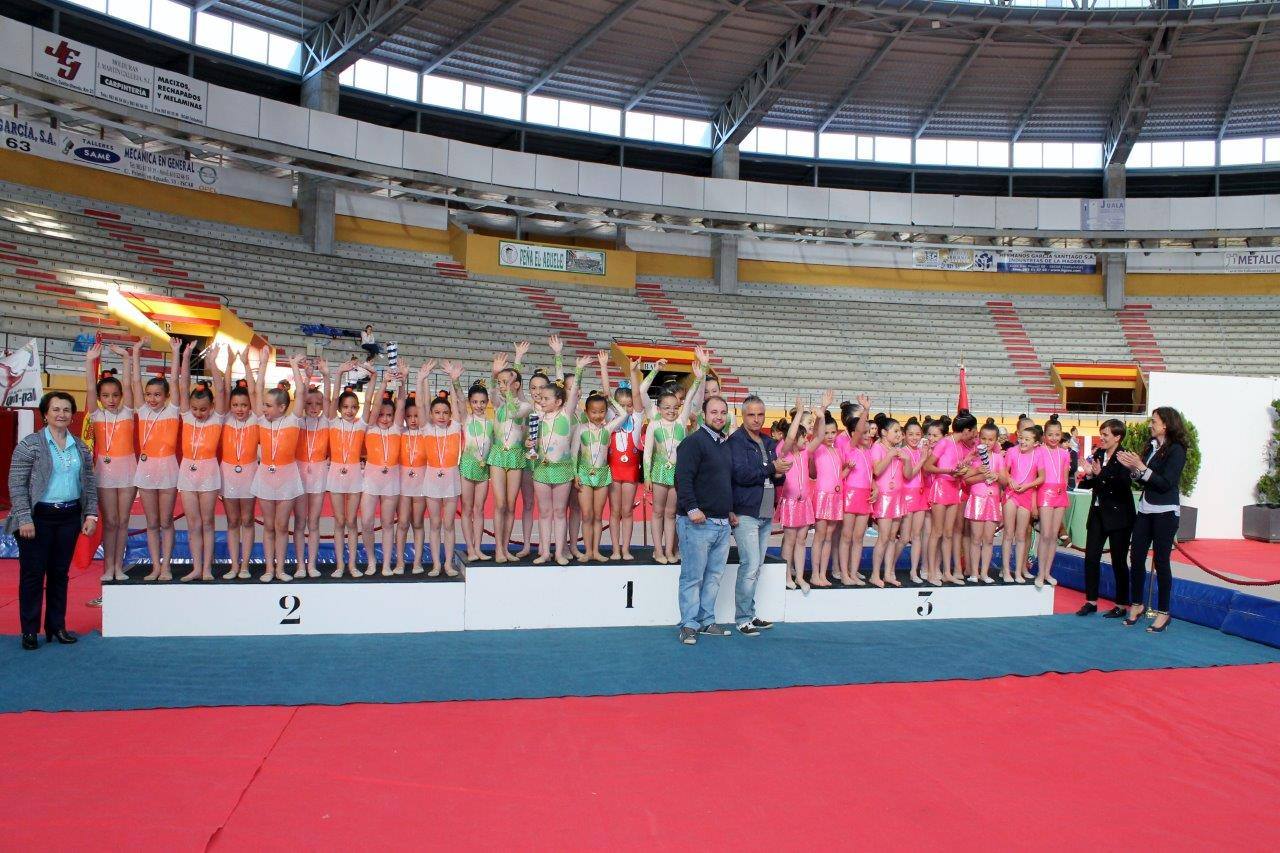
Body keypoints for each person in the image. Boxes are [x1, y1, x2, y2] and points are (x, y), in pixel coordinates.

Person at [7, 391, 99, 650]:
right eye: (56, 409)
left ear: (72, 415)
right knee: (33, 575)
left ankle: (56, 627)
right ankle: (29, 631)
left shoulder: (80, 446)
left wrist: (91, 514)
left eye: (67, 410)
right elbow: (17, 484)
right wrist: (24, 517)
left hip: (69, 518)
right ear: (45, 414)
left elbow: (89, 484)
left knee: (60, 575)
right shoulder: (30, 445)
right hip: (36, 519)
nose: (61, 414)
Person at [1118, 406, 1188, 633]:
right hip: (1146, 510)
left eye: (1154, 421)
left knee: (1162, 561)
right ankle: (1137, 604)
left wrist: (1140, 467)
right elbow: (1144, 480)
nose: (1150, 424)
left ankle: (1163, 612)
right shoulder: (1151, 447)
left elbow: (1166, 482)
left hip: (1166, 511)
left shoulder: (1177, 449)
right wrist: (1133, 469)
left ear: (1166, 424)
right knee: (1136, 556)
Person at [674, 395, 736, 645]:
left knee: (713, 576)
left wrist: (729, 510)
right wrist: (691, 509)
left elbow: (722, 482)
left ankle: (707, 621)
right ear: (703, 414)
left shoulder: (723, 445)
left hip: (721, 524)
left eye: (723, 412)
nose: (719, 416)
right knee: (693, 576)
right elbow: (683, 478)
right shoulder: (693, 442)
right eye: (714, 412)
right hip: (697, 523)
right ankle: (688, 625)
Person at [728, 394, 791, 635]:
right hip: (746, 511)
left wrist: (779, 472)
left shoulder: (768, 442)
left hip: (765, 512)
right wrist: (771, 469)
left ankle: (750, 614)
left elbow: (775, 476)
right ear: (743, 416)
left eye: (760, 414)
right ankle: (743, 617)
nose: (756, 419)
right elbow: (742, 475)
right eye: (751, 415)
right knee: (750, 565)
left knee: (756, 566)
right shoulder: (736, 442)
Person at [84, 342, 137, 583]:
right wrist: (89, 362)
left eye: (115, 395)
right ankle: (108, 566)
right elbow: (89, 389)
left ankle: (119, 565)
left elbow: (127, 383)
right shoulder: (96, 414)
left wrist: (126, 358)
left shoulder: (128, 413)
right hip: (104, 473)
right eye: (105, 396)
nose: (111, 399)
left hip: (127, 471)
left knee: (123, 521)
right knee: (111, 521)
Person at [1076, 418, 1134, 617]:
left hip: (1119, 516)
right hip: (1098, 513)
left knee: (1118, 560)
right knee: (1091, 557)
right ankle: (1091, 601)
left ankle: (1121, 604)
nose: (1102, 438)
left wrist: (1100, 475)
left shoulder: (1125, 457)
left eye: (1106, 435)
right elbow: (1090, 484)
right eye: (1101, 434)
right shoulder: (1099, 453)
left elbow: (1122, 485)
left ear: (1117, 437)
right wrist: (1090, 475)